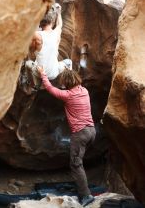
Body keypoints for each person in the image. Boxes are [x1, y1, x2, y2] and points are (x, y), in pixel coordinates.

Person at [37, 66, 96, 207]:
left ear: (67, 83)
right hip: (92, 131)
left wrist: (42, 74)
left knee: (76, 164)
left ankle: (86, 195)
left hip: (80, 133)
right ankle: (83, 186)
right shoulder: (84, 91)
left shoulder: (68, 95)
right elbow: (72, 83)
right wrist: (67, 70)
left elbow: (50, 89)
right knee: (79, 161)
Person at [24, 3, 72, 91]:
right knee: (69, 62)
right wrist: (59, 12)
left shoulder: (37, 35)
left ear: (40, 23)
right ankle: (63, 85)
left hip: (39, 72)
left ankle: (34, 85)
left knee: (27, 64)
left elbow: (29, 35)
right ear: (52, 22)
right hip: (54, 72)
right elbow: (59, 25)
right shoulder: (57, 33)